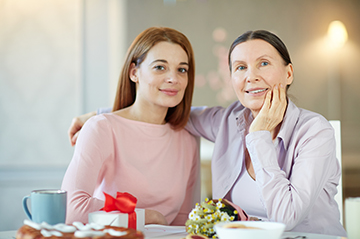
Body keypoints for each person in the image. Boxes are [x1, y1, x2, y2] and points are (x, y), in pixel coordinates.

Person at [68, 30, 346, 236]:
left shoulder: (315, 131)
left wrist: (260, 135)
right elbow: (162, 106)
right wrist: (100, 115)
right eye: (240, 67)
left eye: (263, 63)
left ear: (288, 73)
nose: (251, 76)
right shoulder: (227, 121)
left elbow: (287, 218)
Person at [61, 26, 201, 226]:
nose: (173, 79)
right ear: (134, 72)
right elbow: (72, 209)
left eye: (182, 69)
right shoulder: (101, 128)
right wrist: (149, 217)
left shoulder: (187, 140)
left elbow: (184, 223)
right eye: (160, 67)